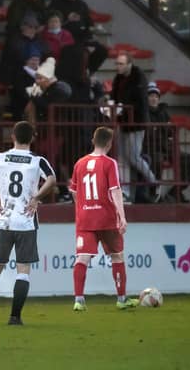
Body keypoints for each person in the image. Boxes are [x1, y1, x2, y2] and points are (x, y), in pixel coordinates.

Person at [0, 121, 56, 326]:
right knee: (23, 270)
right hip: (26, 222)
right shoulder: (37, 160)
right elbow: (51, 180)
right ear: (32, 138)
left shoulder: (0, 158)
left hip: (5, 221)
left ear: (12, 137)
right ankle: (15, 317)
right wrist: (36, 198)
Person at [69, 126, 139, 311]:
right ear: (109, 143)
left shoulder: (80, 163)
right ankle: (121, 299)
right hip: (106, 218)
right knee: (117, 256)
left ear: (93, 140)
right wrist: (122, 216)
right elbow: (115, 190)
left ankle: (79, 300)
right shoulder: (109, 163)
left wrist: (82, 208)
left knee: (82, 258)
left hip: (85, 218)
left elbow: (73, 191)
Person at [110, 52, 159, 202]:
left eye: (121, 64)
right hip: (122, 121)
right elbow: (114, 95)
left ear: (129, 64)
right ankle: (125, 192)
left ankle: (154, 181)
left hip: (136, 122)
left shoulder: (139, 77)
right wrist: (111, 103)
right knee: (122, 159)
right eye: (117, 63)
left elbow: (139, 102)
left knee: (133, 156)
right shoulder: (118, 79)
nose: (118, 66)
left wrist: (123, 107)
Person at [144, 82, 190, 203]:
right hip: (151, 149)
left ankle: (176, 192)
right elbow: (149, 135)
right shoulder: (144, 113)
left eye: (156, 96)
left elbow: (169, 133)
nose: (154, 99)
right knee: (157, 160)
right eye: (151, 96)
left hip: (167, 148)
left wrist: (167, 135)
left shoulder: (163, 112)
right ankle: (154, 194)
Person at [48, 0, 108, 74]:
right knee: (79, 53)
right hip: (65, 37)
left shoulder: (81, 4)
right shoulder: (56, 3)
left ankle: (88, 71)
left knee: (102, 50)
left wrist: (92, 30)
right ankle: (80, 73)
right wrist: (67, 19)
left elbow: (89, 22)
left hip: (82, 36)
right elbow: (52, 23)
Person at [0, 13, 50, 89]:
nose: (32, 30)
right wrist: (7, 81)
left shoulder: (41, 42)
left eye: (35, 27)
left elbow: (47, 60)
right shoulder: (13, 42)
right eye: (30, 27)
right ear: (22, 27)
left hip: (37, 80)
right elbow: (6, 63)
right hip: (18, 80)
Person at [24, 57, 72, 124]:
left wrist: (33, 96)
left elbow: (47, 104)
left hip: (61, 123)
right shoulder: (45, 90)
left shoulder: (58, 89)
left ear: (49, 79)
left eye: (40, 78)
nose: (37, 81)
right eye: (36, 78)